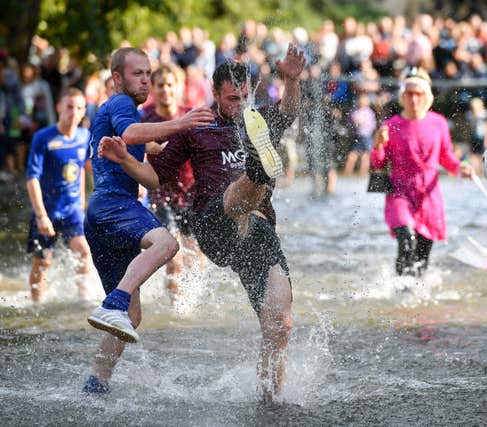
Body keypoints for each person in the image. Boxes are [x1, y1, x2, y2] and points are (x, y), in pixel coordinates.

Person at [98, 44, 305, 402]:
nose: (239, 105)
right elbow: (153, 178)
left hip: (258, 233)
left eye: (244, 97)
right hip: (213, 223)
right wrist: (124, 160)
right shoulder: (196, 127)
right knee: (236, 197)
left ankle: (269, 402)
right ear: (214, 94)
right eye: (231, 99)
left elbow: (290, 108)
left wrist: (290, 78)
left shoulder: (262, 119)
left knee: (279, 324)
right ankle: (257, 170)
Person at [82, 47, 213, 394]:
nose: (145, 80)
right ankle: (113, 302)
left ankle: (96, 383)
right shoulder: (122, 104)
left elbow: (152, 181)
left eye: (147, 73)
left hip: (98, 217)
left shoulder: (121, 114)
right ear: (117, 78)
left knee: (131, 318)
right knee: (167, 244)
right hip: (114, 205)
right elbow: (130, 133)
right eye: (137, 73)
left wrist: (151, 149)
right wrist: (182, 122)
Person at [371, 67, 473, 276]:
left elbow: (446, 156)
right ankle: (400, 290)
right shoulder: (390, 126)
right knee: (406, 240)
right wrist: (378, 145)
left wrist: (460, 167)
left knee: (422, 256)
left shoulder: (438, 123)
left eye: (419, 93)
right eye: (409, 93)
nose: (414, 99)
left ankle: (415, 296)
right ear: (402, 96)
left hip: (429, 196)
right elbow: (379, 164)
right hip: (399, 194)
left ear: (427, 96)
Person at [142, 65, 204, 302]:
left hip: (192, 192)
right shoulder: (145, 117)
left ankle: (194, 302)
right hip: (161, 194)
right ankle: (175, 307)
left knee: (196, 254)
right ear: (153, 89)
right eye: (160, 85)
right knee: (173, 253)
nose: (166, 90)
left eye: (170, 84)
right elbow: (132, 148)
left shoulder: (191, 115)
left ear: (178, 87)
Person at [25, 87, 92, 303]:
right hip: (47, 209)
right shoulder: (43, 138)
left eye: (79, 108)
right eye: (69, 106)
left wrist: (82, 203)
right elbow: (32, 178)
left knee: (84, 252)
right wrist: (41, 215)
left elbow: (80, 168)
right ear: (59, 108)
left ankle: (82, 300)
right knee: (43, 261)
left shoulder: (84, 136)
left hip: (72, 209)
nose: (74, 112)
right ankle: (36, 305)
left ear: (84, 112)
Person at [465, 97, 487, 174]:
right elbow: (468, 127)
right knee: (473, 155)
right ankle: (475, 170)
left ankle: (480, 170)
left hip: (482, 137)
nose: (475, 109)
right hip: (473, 137)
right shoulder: (470, 114)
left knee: (481, 154)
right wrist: (467, 136)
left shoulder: (484, 114)